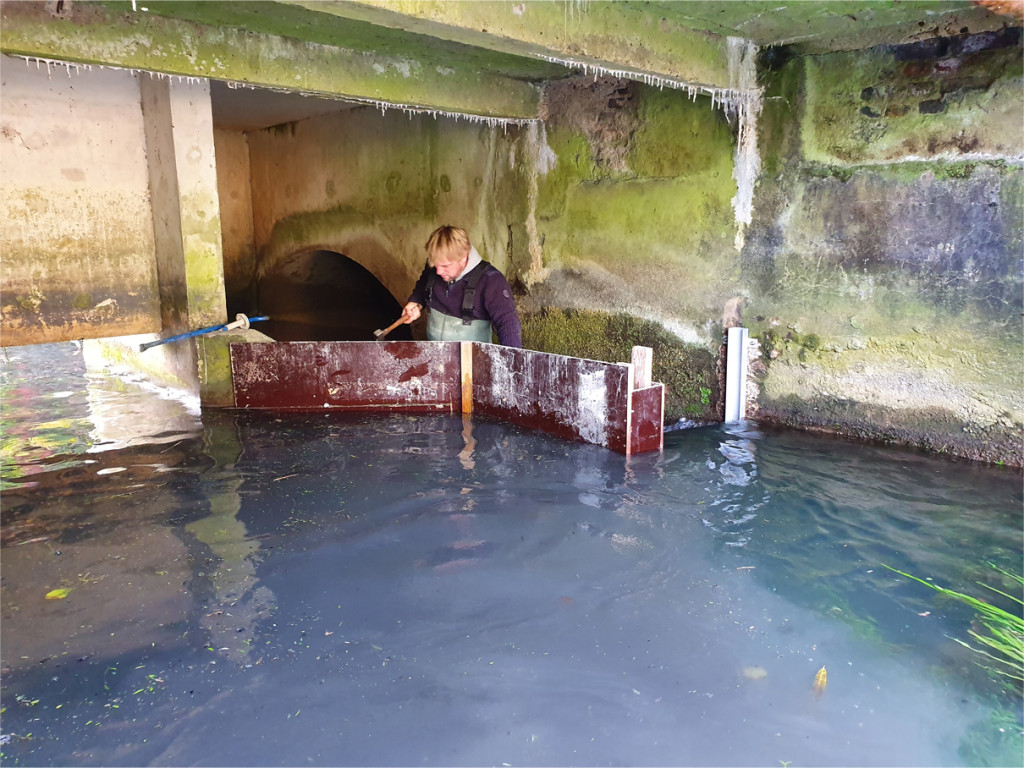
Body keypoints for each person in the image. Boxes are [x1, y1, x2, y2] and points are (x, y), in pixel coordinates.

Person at [401, 225, 522, 347]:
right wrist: (415, 302)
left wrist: (512, 361)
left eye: (445, 266)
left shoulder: (491, 281)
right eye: (435, 265)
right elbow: (422, 287)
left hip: (474, 359)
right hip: (435, 354)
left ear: (463, 258)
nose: (438, 271)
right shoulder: (435, 269)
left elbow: (507, 323)